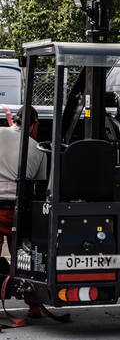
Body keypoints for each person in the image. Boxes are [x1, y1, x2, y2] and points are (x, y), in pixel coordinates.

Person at [0, 106, 46, 318]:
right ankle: (34, 306)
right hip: (18, 211)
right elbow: (40, 186)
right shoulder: (39, 148)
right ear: (34, 125)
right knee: (26, 258)